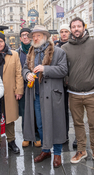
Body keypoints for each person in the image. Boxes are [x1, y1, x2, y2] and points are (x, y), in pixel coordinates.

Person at [61, 17, 94, 167]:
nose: (76, 29)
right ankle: (81, 150)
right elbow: (62, 68)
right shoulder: (65, 48)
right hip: (74, 94)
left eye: (78, 26)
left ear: (84, 27)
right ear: (70, 29)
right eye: (73, 27)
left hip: (92, 92)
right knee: (78, 123)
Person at [23, 25, 68, 168]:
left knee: (56, 124)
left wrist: (45, 69)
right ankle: (46, 150)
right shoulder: (31, 52)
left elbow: (63, 70)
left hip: (53, 94)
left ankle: (57, 154)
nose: (35, 38)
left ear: (45, 37)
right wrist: (27, 74)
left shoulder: (58, 51)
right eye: (33, 36)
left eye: (38, 35)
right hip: (36, 95)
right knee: (41, 124)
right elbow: (25, 68)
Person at [0, 31, 24, 156]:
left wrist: (19, 90)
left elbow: (18, 73)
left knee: (10, 118)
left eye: (0, 41)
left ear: (4, 42)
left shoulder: (14, 54)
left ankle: (11, 141)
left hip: (9, 91)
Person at [15, 28, 41, 148]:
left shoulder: (36, 50)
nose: (25, 37)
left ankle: (36, 136)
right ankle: (26, 136)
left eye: (27, 35)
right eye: (22, 35)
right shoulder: (17, 53)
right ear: (20, 38)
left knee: (36, 112)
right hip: (23, 87)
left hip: (35, 86)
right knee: (25, 113)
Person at [56, 24, 71, 141]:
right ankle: (64, 134)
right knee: (63, 109)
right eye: (62, 31)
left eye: (66, 31)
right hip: (60, 82)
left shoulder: (74, 44)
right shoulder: (55, 46)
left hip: (73, 81)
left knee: (77, 111)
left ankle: (77, 136)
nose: (64, 33)